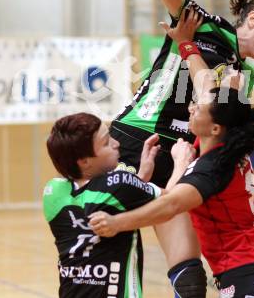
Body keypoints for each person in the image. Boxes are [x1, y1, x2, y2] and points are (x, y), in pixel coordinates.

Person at [110, 0, 254, 297]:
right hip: (138, 137)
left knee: (190, 279)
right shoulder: (208, 25)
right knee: (108, 249)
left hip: (179, 153)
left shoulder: (239, 75)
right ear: (252, 19)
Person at [89, 40, 254, 297]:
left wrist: (117, 223)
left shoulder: (210, 167)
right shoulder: (222, 144)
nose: (191, 107)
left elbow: (169, 206)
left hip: (250, 274)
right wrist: (186, 44)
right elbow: (206, 88)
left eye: (197, 108)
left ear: (214, 128)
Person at [43, 112, 191, 298]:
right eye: (106, 142)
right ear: (84, 161)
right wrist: (181, 163)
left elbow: (105, 200)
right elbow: (171, 202)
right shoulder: (119, 183)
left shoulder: (52, 192)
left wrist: (141, 178)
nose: (116, 143)